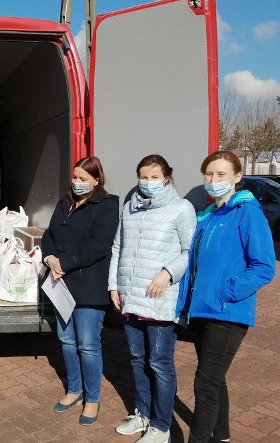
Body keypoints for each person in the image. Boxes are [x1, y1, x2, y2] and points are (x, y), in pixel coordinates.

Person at [176, 150, 275, 443]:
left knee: (204, 383)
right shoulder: (206, 216)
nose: (214, 180)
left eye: (221, 174)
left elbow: (264, 267)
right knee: (214, 380)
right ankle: (222, 436)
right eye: (209, 174)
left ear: (237, 177)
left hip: (226, 311)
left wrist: (224, 292)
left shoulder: (247, 212)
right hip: (201, 310)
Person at [108, 154, 197, 443]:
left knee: (159, 363)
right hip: (131, 296)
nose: (148, 182)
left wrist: (168, 273)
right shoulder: (130, 207)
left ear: (167, 177)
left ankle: (161, 426)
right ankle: (142, 414)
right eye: (143, 177)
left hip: (160, 299)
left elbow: (189, 252)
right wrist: (113, 286)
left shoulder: (182, 208)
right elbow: (118, 247)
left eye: (154, 177)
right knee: (137, 359)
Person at [41, 156, 119, 426]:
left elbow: (99, 246)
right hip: (61, 283)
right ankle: (74, 390)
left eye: (83, 179)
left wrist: (65, 263)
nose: (77, 183)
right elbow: (49, 235)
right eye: (75, 177)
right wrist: (50, 258)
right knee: (67, 341)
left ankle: (92, 398)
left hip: (88, 286)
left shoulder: (106, 206)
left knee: (88, 345)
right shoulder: (65, 203)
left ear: (96, 180)